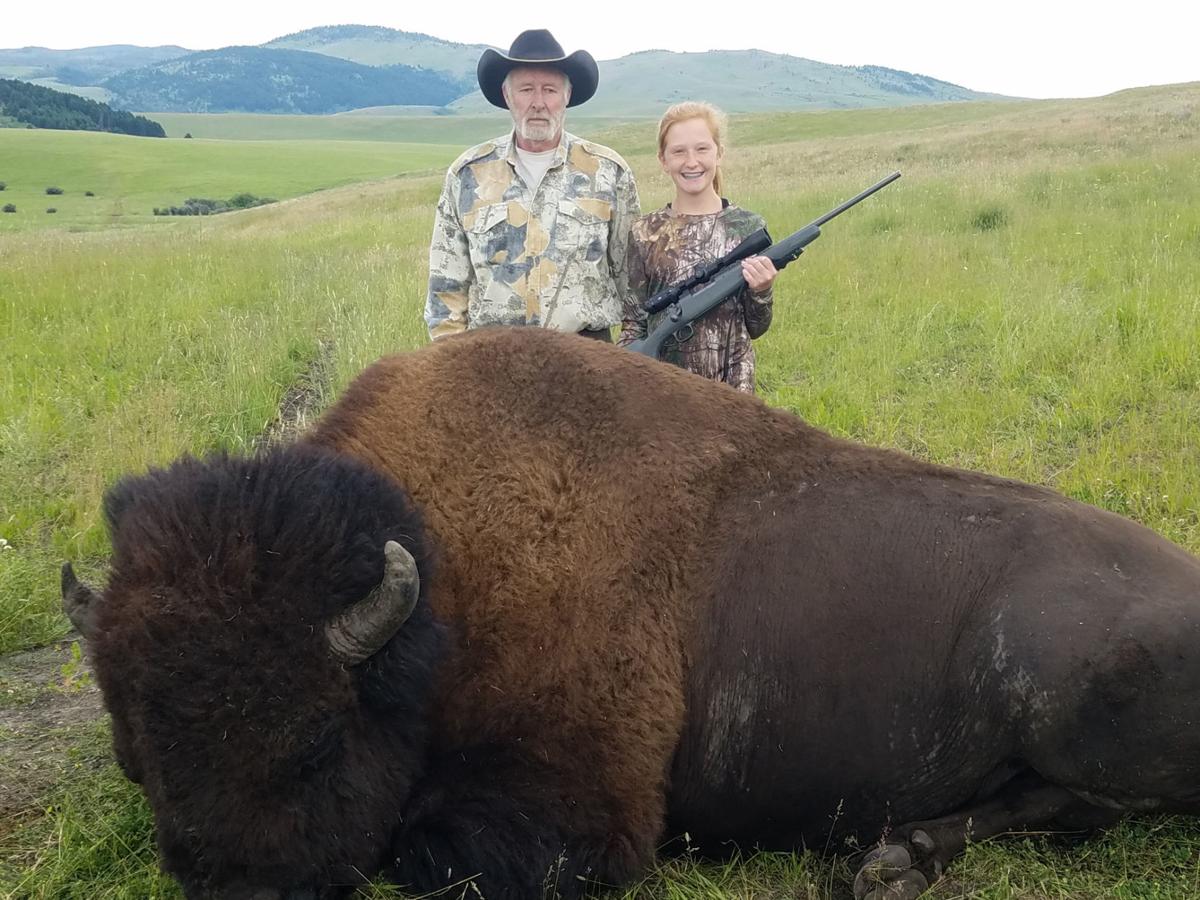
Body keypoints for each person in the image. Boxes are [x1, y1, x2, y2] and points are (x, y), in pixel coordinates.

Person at [425, 29, 640, 341]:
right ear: (507, 96)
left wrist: (629, 359)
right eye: (526, 89)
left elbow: (633, 283)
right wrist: (453, 369)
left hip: (587, 360)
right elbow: (445, 292)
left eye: (550, 90)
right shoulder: (467, 175)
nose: (538, 103)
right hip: (491, 359)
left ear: (566, 96)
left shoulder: (609, 172)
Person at [617, 102, 777, 392]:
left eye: (702, 149)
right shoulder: (644, 232)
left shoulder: (748, 228)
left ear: (719, 153)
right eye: (679, 151)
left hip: (733, 389)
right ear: (663, 160)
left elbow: (757, 327)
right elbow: (634, 325)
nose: (692, 162)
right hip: (664, 392)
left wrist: (762, 291)